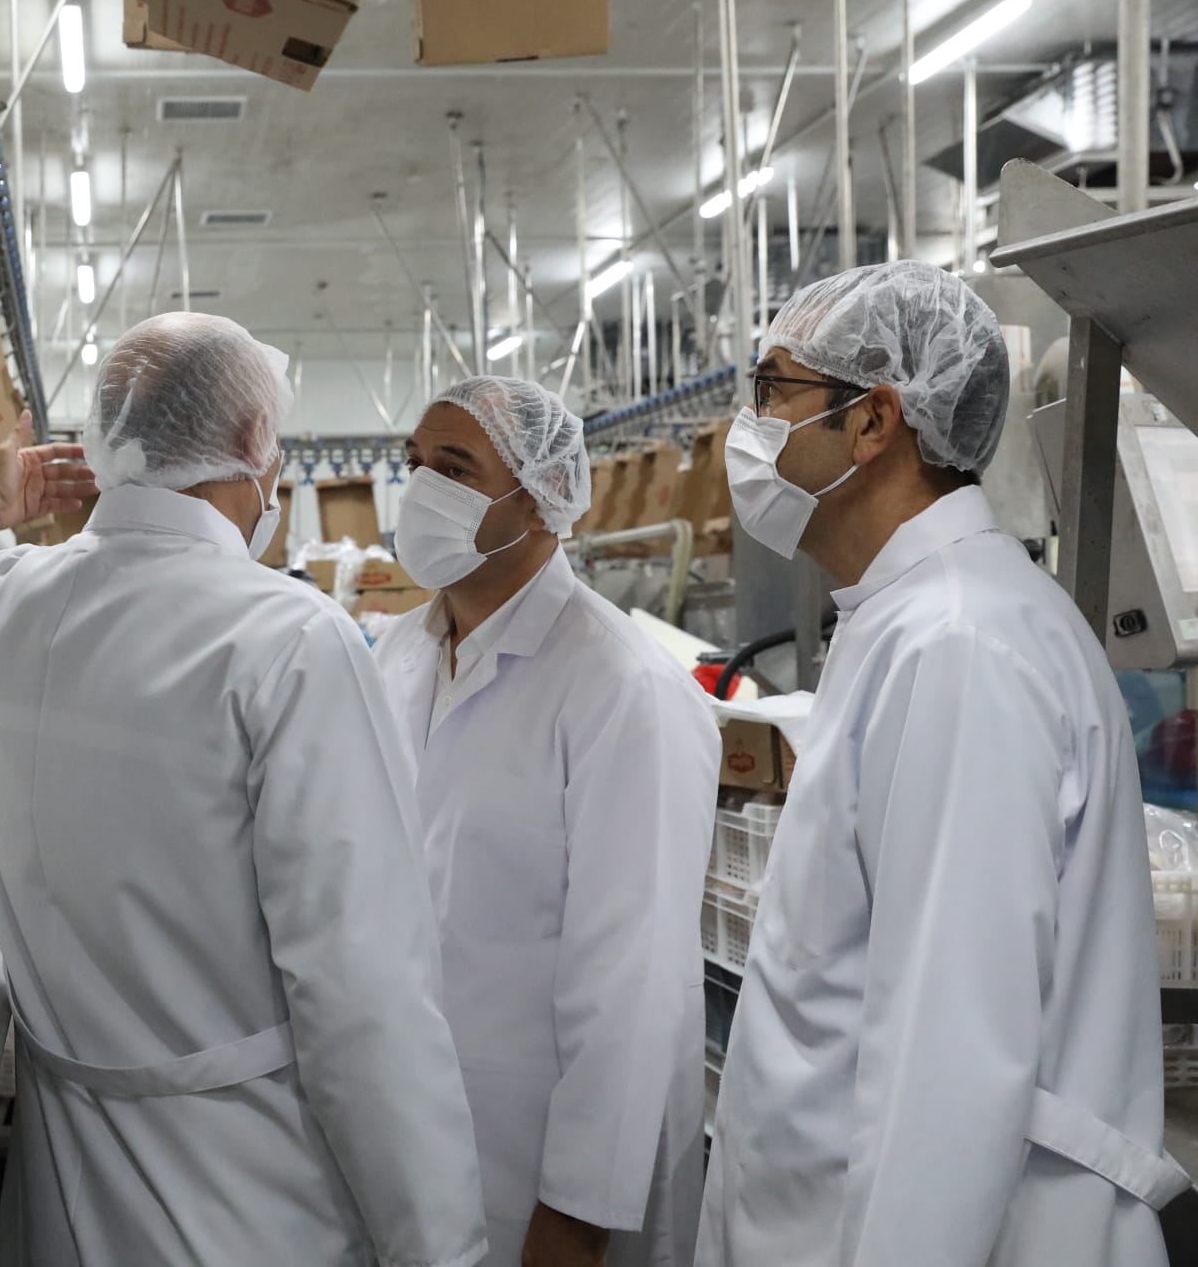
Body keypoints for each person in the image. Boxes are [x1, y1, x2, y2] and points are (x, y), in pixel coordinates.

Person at [0, 312, 488, 1267]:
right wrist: (441, 1246)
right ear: (251, 441)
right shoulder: (291, 640)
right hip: (245, 1189)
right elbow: (364, 994)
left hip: (63, 1179)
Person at [697, 262, 1189, 1266]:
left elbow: (949, 1062)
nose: (751, 427)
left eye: (774, 389)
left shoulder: (959, 644)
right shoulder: (909, 619)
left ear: (873, 421)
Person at [374, 376, 720, 1267]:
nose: (422, 489)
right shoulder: (397, 655)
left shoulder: (623, 687)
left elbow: (633, 975)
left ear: (540, 498)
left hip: (546, 1165)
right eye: (415, 464)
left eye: (455, 468)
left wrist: (576, 1212)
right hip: (412, 1132)